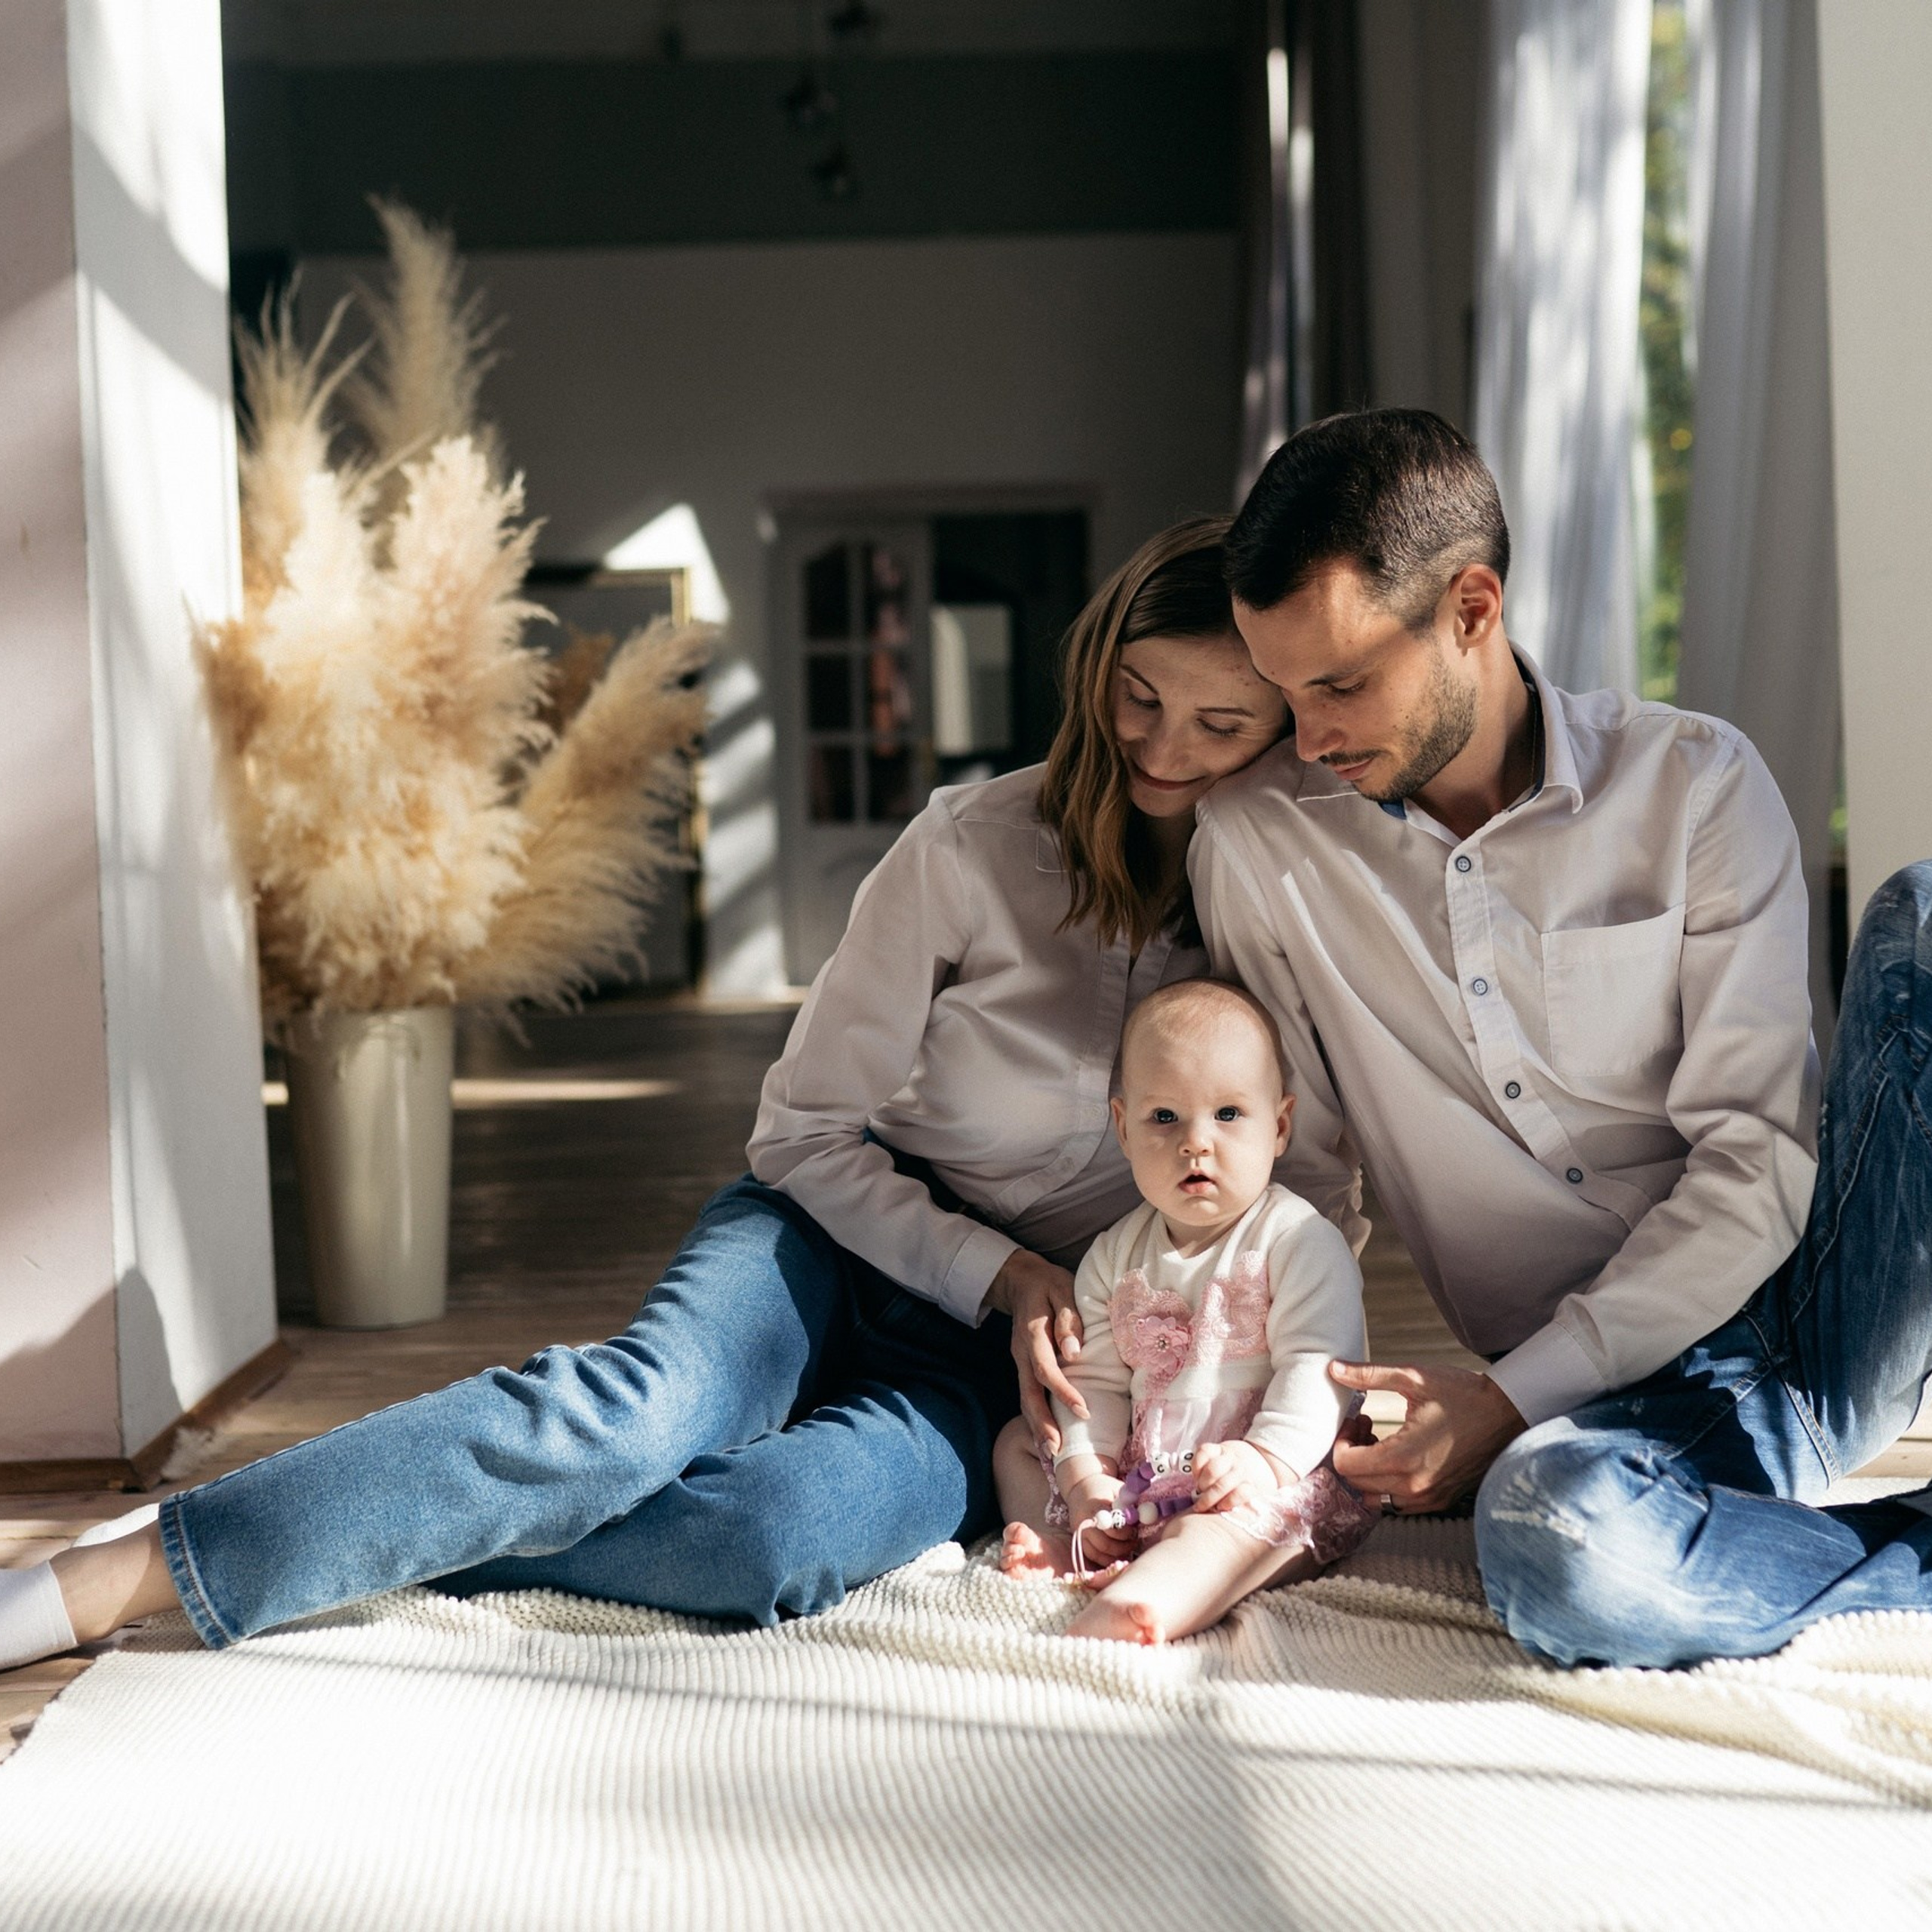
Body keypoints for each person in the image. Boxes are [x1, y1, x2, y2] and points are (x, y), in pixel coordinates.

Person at [0, 515, 1294, 1673]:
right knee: (628, 1425)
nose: (1162, 749)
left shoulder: (1277, 912)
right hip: (829, 1240)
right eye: (1138, 698)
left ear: (1284, 727)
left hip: (1006, 1368)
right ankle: (110, 1577)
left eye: (1221, 726)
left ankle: (388, 1520)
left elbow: (1292, 1202)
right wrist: (998, 1272)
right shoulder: (969, 847)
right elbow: (800, 1135)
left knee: (772, 1539)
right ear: (1097, 669)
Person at [1193, 405, 1932, 1669]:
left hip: (1818, 1301)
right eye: (1284, 691)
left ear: (1471, 610)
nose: (1308, 738)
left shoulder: (1696, 785)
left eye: (1342, 683)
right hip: (1610, 1398)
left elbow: (1756, 1168)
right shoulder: (1260, 847)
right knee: (1554, 1532)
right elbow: (1300, 1185)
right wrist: (1288, 1435)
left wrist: (1506, 1400)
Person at [993, 977, 1375, 1644]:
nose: (1196, 1143)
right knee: (1020, 1447)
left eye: (1228, 1114)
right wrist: (1088, 1479)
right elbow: (1095, 1382)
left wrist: (1264, 1460)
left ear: (1279, 1126)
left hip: (1262, 1478)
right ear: (1123, 1127)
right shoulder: (1114, 1256)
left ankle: (1152, 1599)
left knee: (1221, 1538)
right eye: (1165, 1118)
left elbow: (1320, 1372)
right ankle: (1077, 1546)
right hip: (1144, 1474)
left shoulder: (1297, 1241)